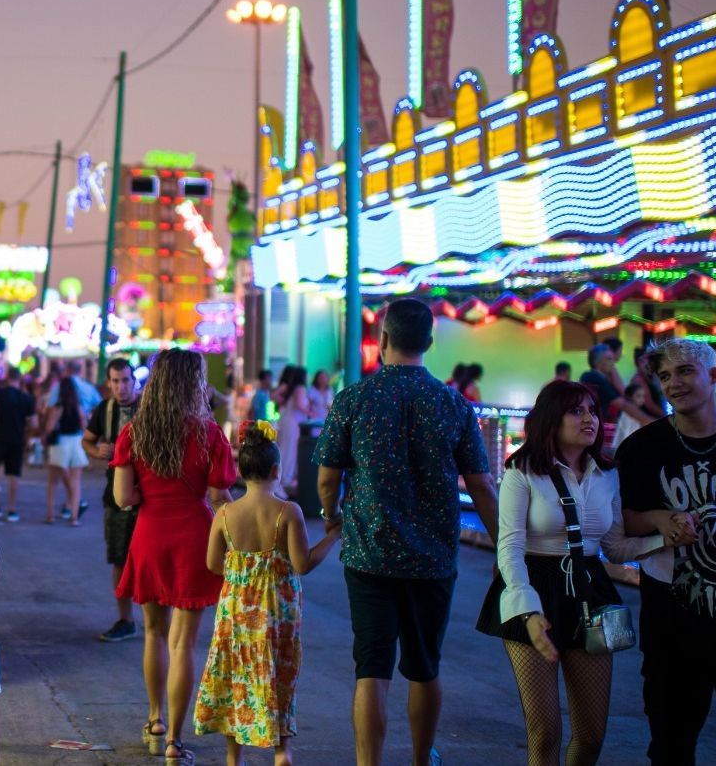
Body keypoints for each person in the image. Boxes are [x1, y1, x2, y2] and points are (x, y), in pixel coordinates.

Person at [314, 298, 500, 766]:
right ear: (429, 343)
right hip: (433, 559)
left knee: (371, 669)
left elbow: (327, 476)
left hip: (368, 554)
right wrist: (507, 547)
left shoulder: (354, 399)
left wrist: (329, 511)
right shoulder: (453, 403)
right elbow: (481, 485)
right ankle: (421, 758)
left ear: (383, 340)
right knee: (424, 667)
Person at [475, 381, 663, 766]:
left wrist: (663, 539)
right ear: (551, 418)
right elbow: (508, 547)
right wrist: (527, 613)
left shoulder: (607, 473)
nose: (589, 419)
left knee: (592, 736)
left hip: (590, 591)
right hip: (533, 586)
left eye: (592, 410)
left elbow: (615, 548)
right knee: (545, 732)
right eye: (576, 411)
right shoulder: (522, 472)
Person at [619, 339, 716, 765]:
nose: (673, 383)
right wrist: (660, 519)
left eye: (684, 372)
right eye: (665, 376)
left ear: (713, 376)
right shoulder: (642, 450)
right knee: (671, 746)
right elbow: (622, 521)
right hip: (673, 624)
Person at [112, 349, 237, 764]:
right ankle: (174, 743)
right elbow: (220, 495)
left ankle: (154, 719)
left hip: (150, 535)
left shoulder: (134, 433)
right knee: (184, 643)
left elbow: (122, 497)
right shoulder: (209, 433)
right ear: (192, 383)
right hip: (195, 539)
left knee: (153, 634)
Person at [196, 420, 340, 766]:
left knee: (235, 674)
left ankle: (234, 756)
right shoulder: (287, 512)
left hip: (235, 612)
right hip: (277, 612)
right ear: (276, 469)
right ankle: (282, 752)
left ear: (241, 470)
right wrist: (333, 536)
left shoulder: (225, 514)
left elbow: (213, 564)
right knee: (279, 674)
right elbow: (302, 564)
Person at [84, 358, 142, 642]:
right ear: (109, 383)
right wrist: (97, 452)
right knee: (119, 556)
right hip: (115, 494)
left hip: (147, 495)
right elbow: (87, 440)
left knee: (147, 557)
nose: (121, 387)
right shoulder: (103, 410)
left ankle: (157, 617)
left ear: (135, 381)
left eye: (126, 380)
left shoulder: (147, 409)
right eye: (116, 381)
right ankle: (126, 619)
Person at [0, 368, 35, 522]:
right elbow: (33, 422)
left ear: (6, 377)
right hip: (17, 440)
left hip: (0, 437)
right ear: (19, 379)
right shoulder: (27, 398)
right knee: (14, 475)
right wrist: (27, 437)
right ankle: (12, 510)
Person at [43, 375, 90, 526]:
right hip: (76, 443)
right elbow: (84, 427)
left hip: (60, 444)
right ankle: (74, 517)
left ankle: (50, 515)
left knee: (53, 482)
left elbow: (49, 427)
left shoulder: (58, 407)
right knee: (75, 482)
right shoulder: (79, 407)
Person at [271, 366, 314, 497]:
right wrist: (313, 414)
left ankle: (279, 482)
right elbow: (300, 405)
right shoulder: (300, 388)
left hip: (288, 421)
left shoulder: (293, 387)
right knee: (289, 451)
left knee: (285, 449)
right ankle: (281, 482)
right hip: (292, 423)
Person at [610, 382, 655, 455]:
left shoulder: (635, 413)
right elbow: (630, 437)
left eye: (643, 396)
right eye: (638, 396)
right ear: (630, 397)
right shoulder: (629, 415)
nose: (642, 399)